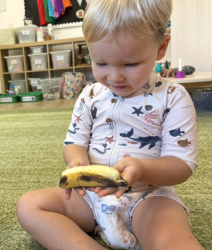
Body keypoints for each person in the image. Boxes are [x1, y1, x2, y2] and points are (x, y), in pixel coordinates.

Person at [16, 0, 205, 249]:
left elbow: (182, 164)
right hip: (92, 199)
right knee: (29, 205)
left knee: (171, 239)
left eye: (130, 64)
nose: (114, 76)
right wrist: (76, 161)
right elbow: (74, 142)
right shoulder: (90, 95)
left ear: (161, 47)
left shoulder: (173, 97)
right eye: (101, 63)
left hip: (149, 198)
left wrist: (143, 169)